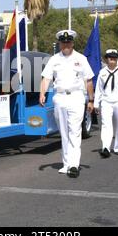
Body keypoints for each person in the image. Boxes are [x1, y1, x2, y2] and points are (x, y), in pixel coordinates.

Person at [39, 30, 94, 178]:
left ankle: (74, 164)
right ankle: (66, 163)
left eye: (68, 42)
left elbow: (88, 80)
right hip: (60, 98)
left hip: (76, 96)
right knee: (63, 132)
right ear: (60, 44)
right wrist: (42, 93)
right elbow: (46, 78)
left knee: (74, 131)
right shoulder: (54, 59)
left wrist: (91, 99)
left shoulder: (81, 58)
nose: (66, 45)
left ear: (73, 43)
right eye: (63, 43)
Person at [94, 49, 118, 158]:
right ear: (106, 59)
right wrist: (96, 103)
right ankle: (105, 147)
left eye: (114, 58)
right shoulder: (102, 72)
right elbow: (99, 89)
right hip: (106, 102)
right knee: (106, 125)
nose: (112, 60)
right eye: (110, 58)